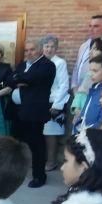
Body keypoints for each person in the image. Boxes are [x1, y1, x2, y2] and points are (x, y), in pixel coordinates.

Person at [7, 40, 56, 188]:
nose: (28, 53)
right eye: (26, 50)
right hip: (18, 112)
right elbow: (9, 80)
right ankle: (14, 171)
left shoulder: (47, 65)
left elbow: (28, 78)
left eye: (32, 49)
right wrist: (18, 80)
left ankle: (39, 176)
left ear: (40, 50)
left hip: (33, 113)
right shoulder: (22, 64)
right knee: (16, 143)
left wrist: (19, 79)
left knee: (36, 145)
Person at [42, 36, 70, 170]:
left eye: (52, 46)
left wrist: (56, 105)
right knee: (40, 133)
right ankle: (41, 159)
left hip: (54, 101)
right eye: (46, 46)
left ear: (56, 48)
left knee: (51, 134)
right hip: (40, 102)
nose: (49, 49)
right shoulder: (39, 62)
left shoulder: (60, 63)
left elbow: (64, 85)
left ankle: (51, 161)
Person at [75, 53, 102, 131]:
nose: (90, 74)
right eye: (90, 70)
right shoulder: (95, 86)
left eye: (95, 71)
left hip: (93, 135)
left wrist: (86, 133)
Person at [71, 14, 102, 91]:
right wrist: (74, 86)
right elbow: (77, 67)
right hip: (77, 91)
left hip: (94, 90)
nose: (91, 29)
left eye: (96, 26)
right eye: (90, 26)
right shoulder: (84, 45)